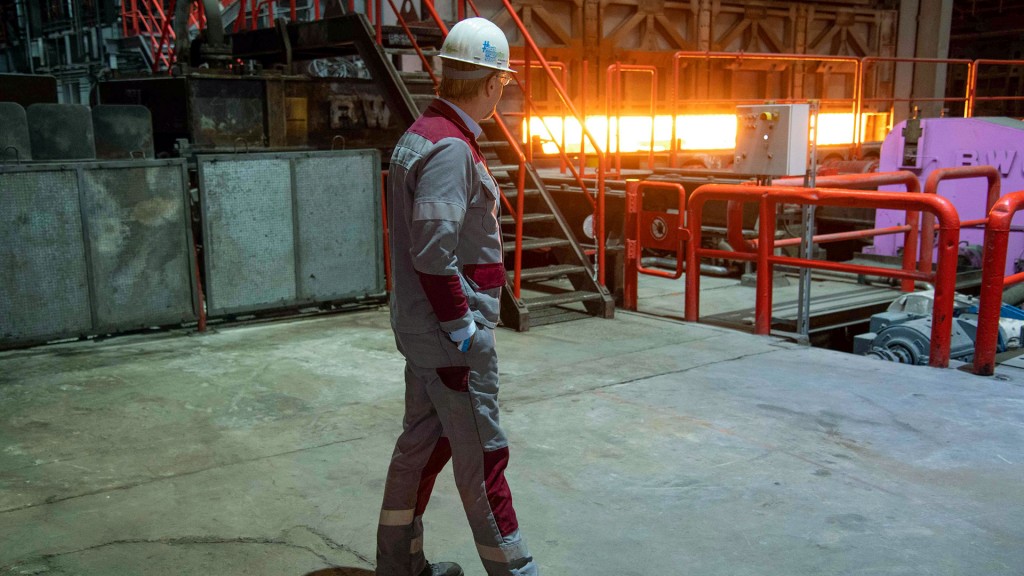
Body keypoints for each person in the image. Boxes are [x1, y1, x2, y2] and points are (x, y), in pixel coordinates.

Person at [375, 16, 539, 576]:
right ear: (492, 83)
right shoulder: (449, 150)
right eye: (504, 83)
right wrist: (463, 327)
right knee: (484, 458)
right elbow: (433, 251)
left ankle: (399, 567)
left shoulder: (423, 134)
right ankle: (513, 570)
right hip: (449, 338)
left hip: (422, 330)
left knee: (419, 449)